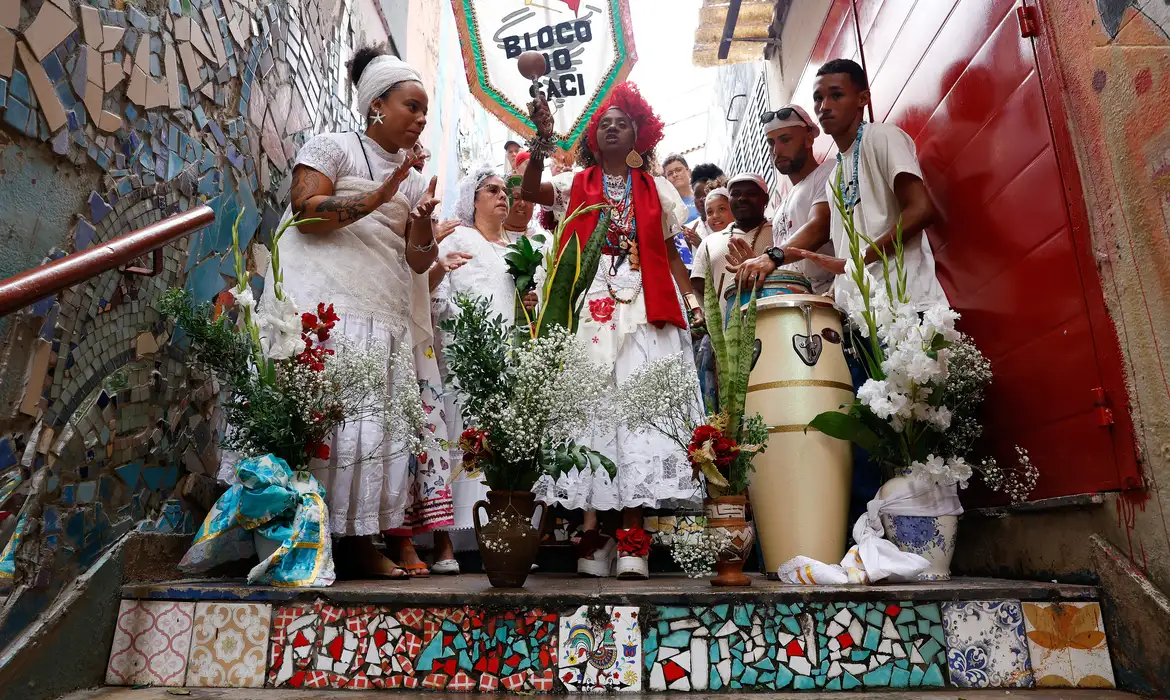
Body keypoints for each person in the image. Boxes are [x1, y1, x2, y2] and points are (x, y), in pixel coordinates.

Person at [521, 81, 705, 580]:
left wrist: (694, 300)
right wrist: (541, 140)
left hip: (646, 300)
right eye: (604, 122)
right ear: (593, 137)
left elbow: (669, 254)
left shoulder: (658, 189)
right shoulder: (574, 184)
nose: (612, 127)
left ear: (639, 133)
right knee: (594, 407)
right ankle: (595, 534)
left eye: (622, 121)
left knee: (639, 411)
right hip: (589, 299)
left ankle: (632, 537)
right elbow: (527, 190)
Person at [279, 46, 443, 579]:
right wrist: (384, 193)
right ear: (376, 104)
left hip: (383, 308)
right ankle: (304, 535)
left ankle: (356, 542)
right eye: (412, 106)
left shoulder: (417, 178)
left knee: (370, 428)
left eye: (425, 110)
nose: (421, 119)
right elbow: (305, 214)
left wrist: (421, 225)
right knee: (328, 417)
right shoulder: (331, 147)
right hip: (327, 305)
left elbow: (419, 260)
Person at [662, 154, 700, 271]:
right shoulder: (665, 207)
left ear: (688, 171)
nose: (675, 175)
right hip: (682, 263)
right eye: (670, 173)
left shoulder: (703, 198)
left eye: (678, 170)